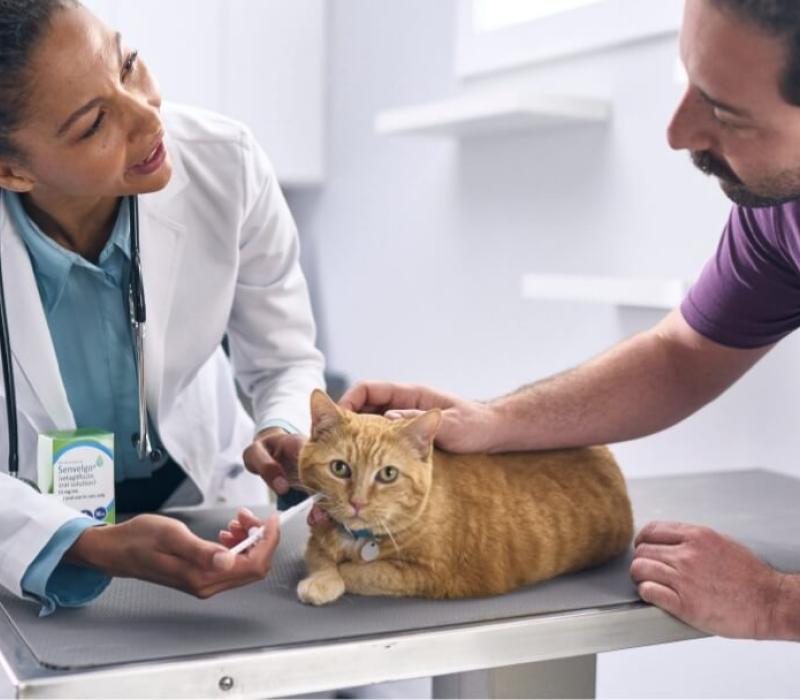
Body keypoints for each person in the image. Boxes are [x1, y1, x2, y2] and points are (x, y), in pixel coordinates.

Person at [251, 0, 800, 641]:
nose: (676, 133)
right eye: (687, 84)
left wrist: (774, 604)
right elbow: (682, 356)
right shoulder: (776, 213)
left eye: (724, 110)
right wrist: (494, 423)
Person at [0, 0, 324, 613]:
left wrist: (283, 427)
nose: (149, 118)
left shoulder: (226, 163)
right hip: (26, 522)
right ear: (11, 170)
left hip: (199, 490)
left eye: (127, 64)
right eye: (95, 123)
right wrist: (85, 543)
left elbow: (283, 362)